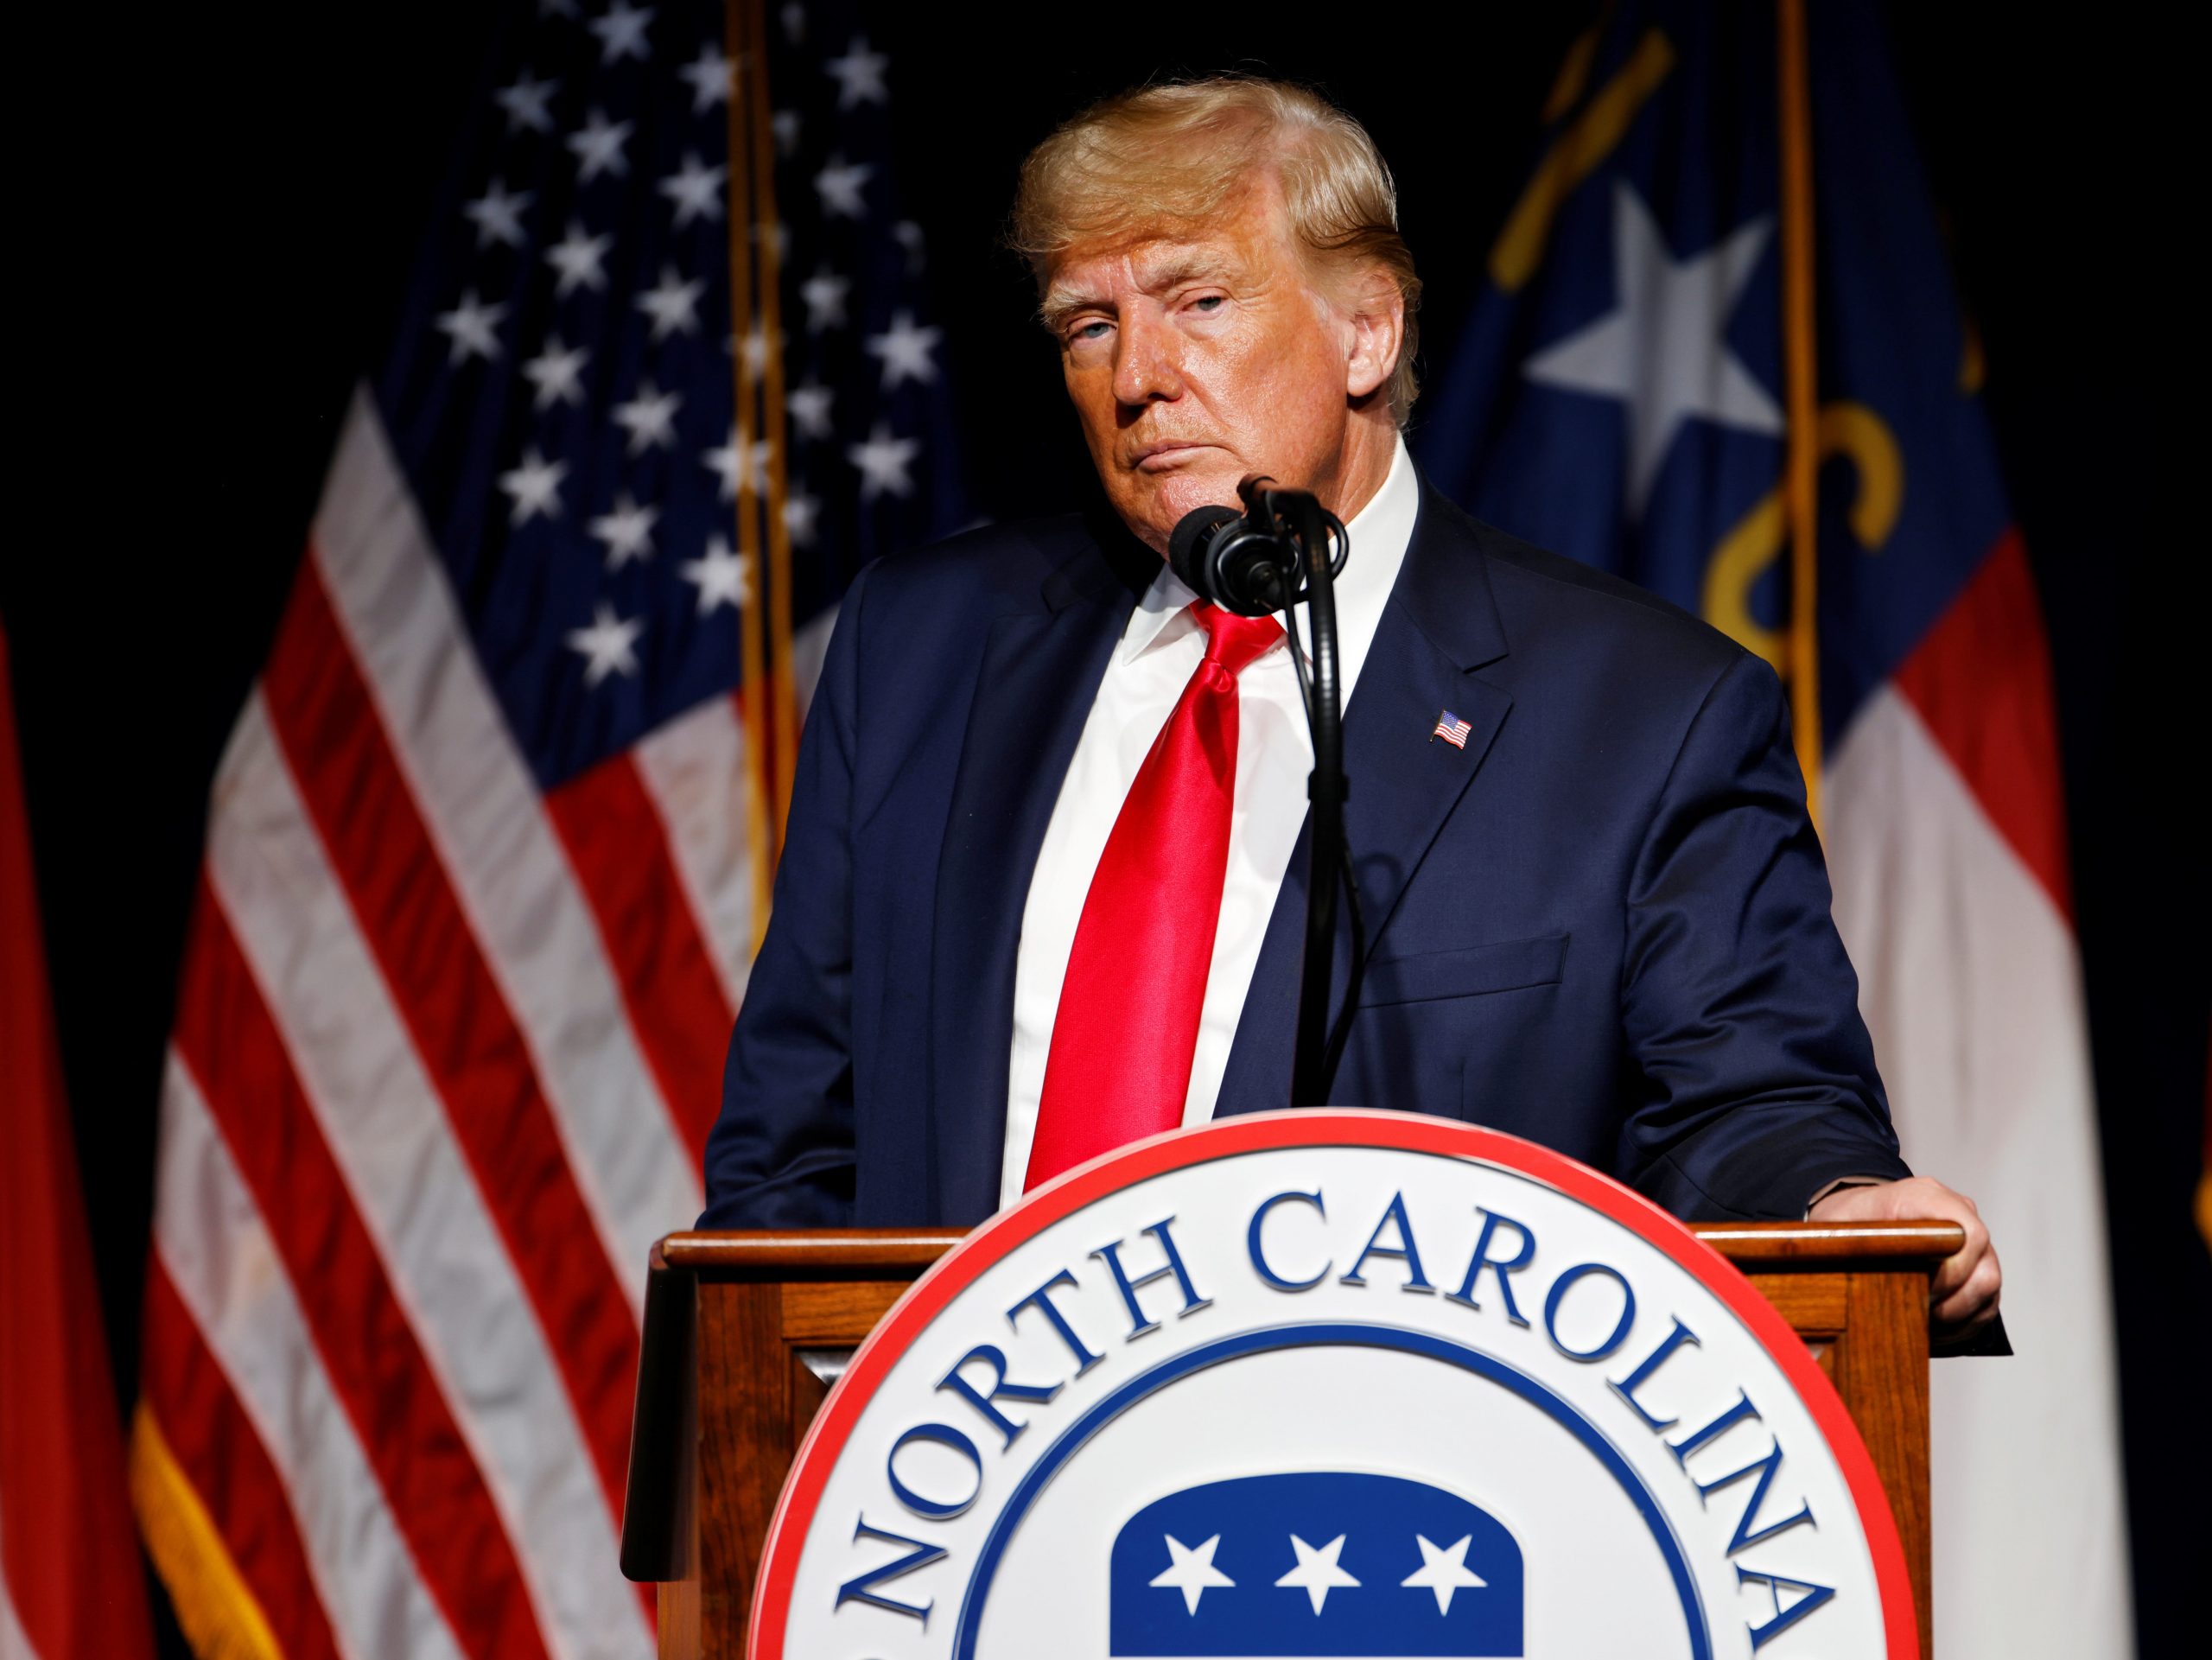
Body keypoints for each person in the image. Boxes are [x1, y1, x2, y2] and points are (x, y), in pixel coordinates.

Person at [700, 78, 2001, 1345]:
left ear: (1367, 332)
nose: (1137, 375)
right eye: (1086, 326)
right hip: (952, 1514)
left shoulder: (1644, 717)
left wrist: (1840, 1206)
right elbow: (792, 1146)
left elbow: (1748, 1102)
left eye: (1198, 300)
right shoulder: (920, 647)